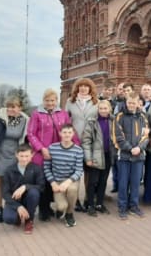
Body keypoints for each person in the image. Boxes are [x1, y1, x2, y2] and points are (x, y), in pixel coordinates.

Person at [27, 88, 79, 221]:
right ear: (43, 101)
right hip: (41, 154)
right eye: (47, 100)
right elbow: (31, 134)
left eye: (53, 100)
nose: (50, 103)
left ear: (56, 101)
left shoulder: (62, 113)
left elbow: (69, 130)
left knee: (54, 179)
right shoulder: (36, 114)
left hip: (58, 152)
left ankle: (56, 206)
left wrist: (76, 146)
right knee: (43, 181)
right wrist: (41, 149)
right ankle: (44, 209)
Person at [0, 96, 29, 223]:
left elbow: (26, 139)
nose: (10, 109)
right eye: (8, 106)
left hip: (14, 156)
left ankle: (13, 206)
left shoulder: (25, 120)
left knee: (13, 183)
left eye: (13, 107)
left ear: (20, 108)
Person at [112, 92, 150, 220]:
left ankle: (134, 206)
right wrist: (130, 148)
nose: (131, 105)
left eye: (134, 103)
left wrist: (139, 148)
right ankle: (122, 207)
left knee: (135, 183)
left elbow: (146, 136)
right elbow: (117, 137)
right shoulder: (119, 116)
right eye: (129, 103)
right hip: (124, 156)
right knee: (123, 183)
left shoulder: (143, 117)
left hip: (138, 156)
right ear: (126, 102)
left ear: (138, 103)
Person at [65, 77, 98, 212]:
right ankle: (75, 199)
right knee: (75, 172)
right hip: (74, 142)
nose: (83, 88)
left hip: (90, 142)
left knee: (89, 172)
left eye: (86, 86)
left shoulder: (96, 102)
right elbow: (66, 121)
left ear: (90, 88)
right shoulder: (70, 102)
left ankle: (87, 199)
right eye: (81, 86)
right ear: (77, 88)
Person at [44, 124, 84, 227]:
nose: (67, 135)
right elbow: (47, 168)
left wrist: (68, 182)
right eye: (64, 132)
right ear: (60, 133)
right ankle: (61, 208)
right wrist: (53, 183)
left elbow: (79, 170)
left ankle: (69, 214)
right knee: (62, 206)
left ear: (73, 134)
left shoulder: (78, 150)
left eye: (70, 132)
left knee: (72, 190)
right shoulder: (52, 148)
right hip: (57, 181)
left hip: (71, 180)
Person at [81, 100, 114, 216]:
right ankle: (90, 205)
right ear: (98, 109)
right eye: (101, 108)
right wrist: (88, 158)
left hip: (108, 155)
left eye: (105, 108)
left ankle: (99, 203)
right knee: (92, 181)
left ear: (109, 109)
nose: (103, 111)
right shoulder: (92, 122)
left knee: (103, 181)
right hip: (95, 156)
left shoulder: (113, 121)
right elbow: (86, 141)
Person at [2, 144, 44, 234]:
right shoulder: (9, 170)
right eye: (21, 156)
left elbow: (41, 187)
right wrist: (18, 206)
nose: (24, 159)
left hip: (29, 199)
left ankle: (29, 220)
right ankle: (17, 216)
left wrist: (26, 186)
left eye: (27, 156)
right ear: (16, 155)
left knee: (34, 193)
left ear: (32, 155)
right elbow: (5, 193)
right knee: (8, 218)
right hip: (14, 201)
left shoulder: (37, 169)